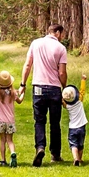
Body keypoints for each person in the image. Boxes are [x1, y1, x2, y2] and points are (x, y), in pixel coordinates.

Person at [18, 24, 68, 166]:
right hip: (54, 89)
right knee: (54, 123)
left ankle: (40, 148)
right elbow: (62, 72)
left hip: (38, 87)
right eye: (62, 34)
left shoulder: (36, 43)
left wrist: (23, 84)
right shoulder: (60, 48)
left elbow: (27, 65)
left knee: (39, 121)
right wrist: (65, 88)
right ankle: (55, 154)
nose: (62, 37)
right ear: (57, 33)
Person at [0, 70, 24, 167]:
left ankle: (3, 160)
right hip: (10, 121)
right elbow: (19, 101)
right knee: (10, 140)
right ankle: (12, 153)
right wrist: (23, 93)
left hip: (0, 121)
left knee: (2, 140)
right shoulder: (13, 93)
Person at [62, 74, 88, 167]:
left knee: (73, 145)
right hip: (81, 126)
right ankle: (80, 159)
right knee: (80, 144)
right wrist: (83, 80)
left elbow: (62, 101)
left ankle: (75, 158)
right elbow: (82, 91)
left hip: (72, 128)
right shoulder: (80, 101)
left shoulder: (67, 106)